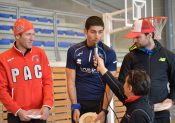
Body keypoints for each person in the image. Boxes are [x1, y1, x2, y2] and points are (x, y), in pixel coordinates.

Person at [118, 19, 175, 123]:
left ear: (149, 35)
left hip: (161, 114)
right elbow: (121, 84)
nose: (135, 40)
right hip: (138, 113)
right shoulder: (130, 57)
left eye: (138, 37)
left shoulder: (168, 56)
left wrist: (172, 99)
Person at [0, 18, 53, 123]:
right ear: (17, 36)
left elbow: (47, 81)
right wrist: (17, 110)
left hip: (39, 113)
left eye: (33, 34)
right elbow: (1, 89)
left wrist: (47, 105)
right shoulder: (3, 58)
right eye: (28, 34)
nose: (32, 38)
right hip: (16, 115)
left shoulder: (40, 53)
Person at [66, 16, 117, 123]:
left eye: (100, 32)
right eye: (93, 32)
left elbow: (110, 85)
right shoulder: (73, 51)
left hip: (99, 102)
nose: (97, 36)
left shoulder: (110, 53)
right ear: (85, 31)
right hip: (79, 102)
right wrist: (74, 106)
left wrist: (104, 110)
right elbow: (71, 81)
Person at [94, 54, 154, 123]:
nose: (123, 85)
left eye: (125, 82)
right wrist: (102, 68)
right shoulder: (139, 101)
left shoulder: (138, 113)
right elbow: (117, 88)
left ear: (130, 88)